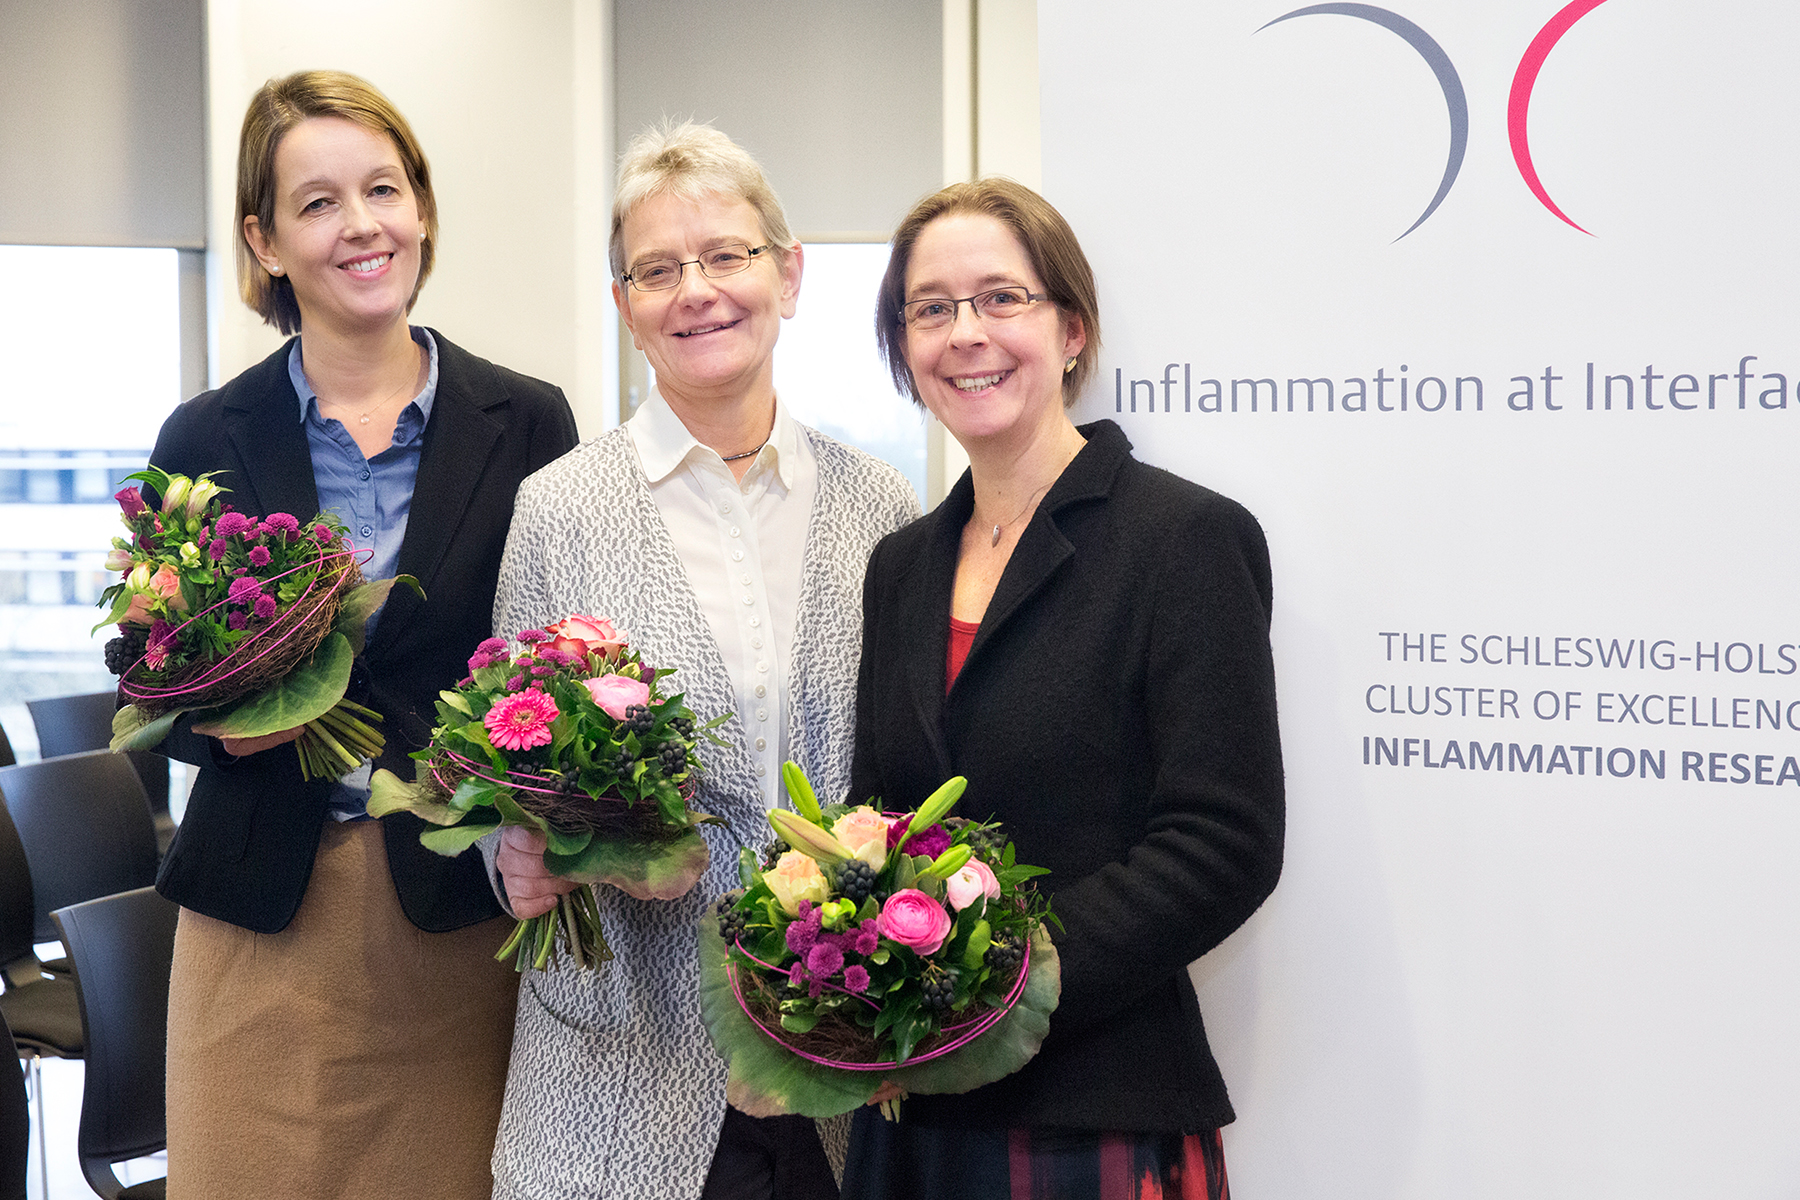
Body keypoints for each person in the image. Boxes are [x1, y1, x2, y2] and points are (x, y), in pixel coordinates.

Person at [146, 70, 577, 1199]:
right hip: (258, 924)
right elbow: (157, 687)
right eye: (318, 202)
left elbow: (559, 660)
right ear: (266, 240)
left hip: (455, 919)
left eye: (383, 189)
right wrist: (217, 726)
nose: (362, 225)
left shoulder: (528, 421)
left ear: (421, 207)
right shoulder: (205, 435)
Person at [486, 121, 920, 1200]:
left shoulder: (883, 510)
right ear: (625, 305)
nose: (698, 291)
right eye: (658, 269)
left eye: (728, 254)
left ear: (789, 274)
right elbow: (501, 770)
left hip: (834, 1048)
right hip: (622, 1063)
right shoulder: (557, 510)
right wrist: (512, 854)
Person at [841, 179, 1286, 1199]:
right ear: (904, 347)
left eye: (1002, 298)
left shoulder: (1184, 540)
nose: (966, 333)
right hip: (911, 1115)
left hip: (1095, 1105)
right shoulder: (901, 566)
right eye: (931, 308)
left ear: (1071, 329)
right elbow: (876, 820)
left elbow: (1224, 842)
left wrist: (995, 988)